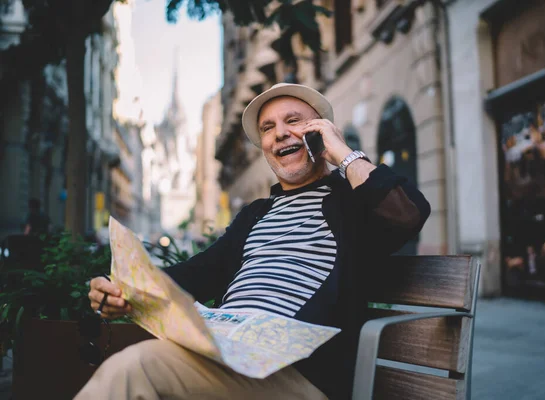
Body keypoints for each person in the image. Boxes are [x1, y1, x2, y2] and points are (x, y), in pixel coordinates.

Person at [78, 83, 430, 400]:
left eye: (293, 121)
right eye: (267, 128)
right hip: (226, 359)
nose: (279, 134)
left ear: (321, 131)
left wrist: (341, 152)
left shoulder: (351, 202)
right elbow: (195, 273)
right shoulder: (255, 214)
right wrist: (124, 291)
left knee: (136, 367)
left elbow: (406, 215)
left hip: (298, 376)